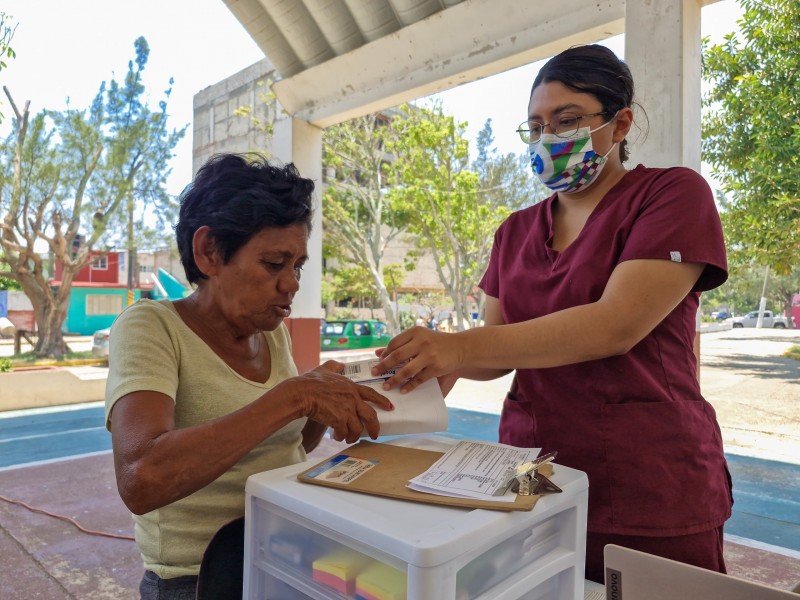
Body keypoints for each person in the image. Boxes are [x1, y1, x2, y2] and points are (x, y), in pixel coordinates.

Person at [372, 44, 732, 583]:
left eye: (566, 121)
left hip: (649, 478)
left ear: (619, 124)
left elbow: (614, 326)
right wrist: (435, 364)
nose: (548, 139)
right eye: (536, 127)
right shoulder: (515, 231)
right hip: (531, 472)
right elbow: (498, 349)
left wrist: (460, 346)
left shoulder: (671, 194)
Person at [104, 153, 393, 599]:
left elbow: (279, 448)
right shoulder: (153, 327)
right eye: (274, 263)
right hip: (199, 579)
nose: (291, 283)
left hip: (285, 555)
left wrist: (319, 405)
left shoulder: (270, 334)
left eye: (297, 265)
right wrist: (294, 398)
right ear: (209, 252)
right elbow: (141, 478)